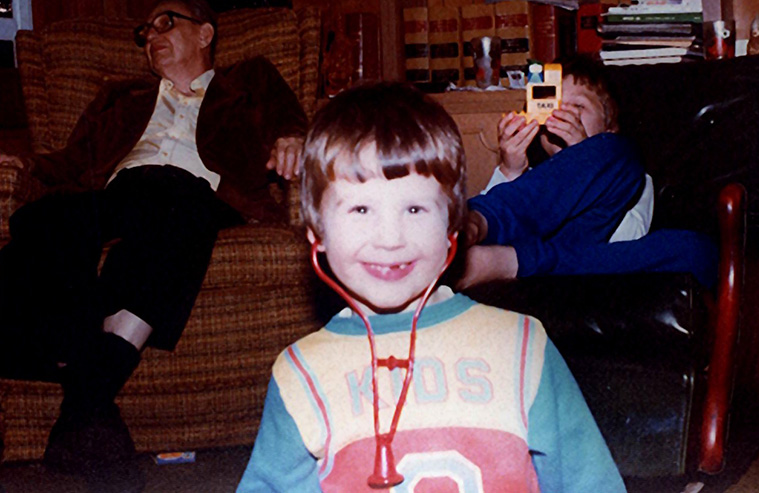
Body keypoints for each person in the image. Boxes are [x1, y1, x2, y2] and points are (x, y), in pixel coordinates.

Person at [236, 82, 626, 492]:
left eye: (415, 208)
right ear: (317, 233)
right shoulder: (300, 372)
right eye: (361, 208)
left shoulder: (522, 344)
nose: (390, 238)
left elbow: (590, 481)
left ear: (451, 228)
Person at [0, 0, 306, 488]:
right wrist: (21, 167)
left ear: (205, 34)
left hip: (205, 195)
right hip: (123, 193)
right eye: (145, 32)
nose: (151, 36)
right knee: (44, 217)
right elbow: (72, 159)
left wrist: (293, 137)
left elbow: (291, 119)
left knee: (179, 196)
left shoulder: (248, 80)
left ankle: (85, 392)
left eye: (167, 23)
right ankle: (88, 407)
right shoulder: (119, 95)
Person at [458, 55, 714, 289]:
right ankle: (470, 224)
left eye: (578, 107)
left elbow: (626, 238)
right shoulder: (527, 178)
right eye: (552, 104)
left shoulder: (628, 173)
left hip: (585, 266)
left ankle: (510, 260)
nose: (562, 114)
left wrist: (585, 154)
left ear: (608, 126)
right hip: (523, 257)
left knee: (693, 249)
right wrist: (510, 169)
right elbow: (499, 220)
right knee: (503, 211)